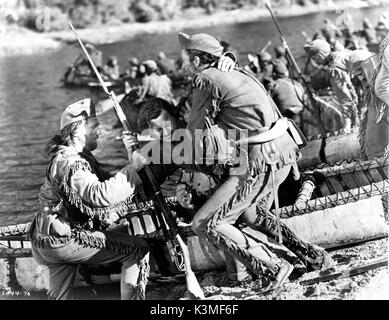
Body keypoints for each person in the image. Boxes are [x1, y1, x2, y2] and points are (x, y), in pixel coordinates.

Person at [177, 32, 333, 291]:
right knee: (252, 213)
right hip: (284, 151)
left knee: (205, 223)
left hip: (261, 159)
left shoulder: (204, 79)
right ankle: (313, 255)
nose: (181, 66)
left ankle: (274, 267)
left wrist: (178, 161)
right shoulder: (237, 70)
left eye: (183, 59)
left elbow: (196, 135)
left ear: (196, 59)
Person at [28, 98, 150, 300]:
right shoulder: (72, 162)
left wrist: (131, 155)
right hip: (63, 240)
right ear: (78, 131)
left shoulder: (73, 157)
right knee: (138, 249)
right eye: (95, 126)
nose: (100, 131)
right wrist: (133, 169)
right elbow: (100, 195)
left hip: (44, 240)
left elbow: (110, 184)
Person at [304, 39, 373, 133]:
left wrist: (347, 125)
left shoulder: (335, 69)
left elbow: (345, 98)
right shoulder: (342, 53)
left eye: (315, 59)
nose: (317, 63)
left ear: (321, 55)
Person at [267, 61, 306, 129]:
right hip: (302, 114)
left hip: (288, 119)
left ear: (274, 74)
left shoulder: (273, 85)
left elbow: (268, 107)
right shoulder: (297, 84)